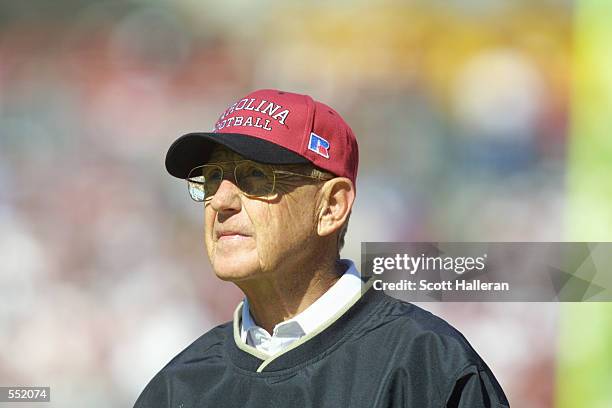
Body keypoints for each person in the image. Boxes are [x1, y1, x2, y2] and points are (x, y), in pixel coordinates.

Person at [134, 89, 509, 408]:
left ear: (331, 207)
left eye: (255, 176)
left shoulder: (426, 365)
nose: (220, 201)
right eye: (213, 178)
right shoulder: (177, 387)